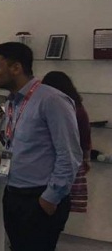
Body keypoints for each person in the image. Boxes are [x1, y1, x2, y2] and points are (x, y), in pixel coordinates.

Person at [0, 42, 82, 250]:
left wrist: (50, 198)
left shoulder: (52, 100)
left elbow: (70, 154)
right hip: (13, 194)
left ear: (16, 68)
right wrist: (4, 160)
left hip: (39, 197)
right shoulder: (12, 102)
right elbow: (18, 143)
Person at [42, 71, 92, 213]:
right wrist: (86, 159)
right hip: (73, 162)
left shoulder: (55, 106)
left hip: (53, 164)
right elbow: (86, 138)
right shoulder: (78, 108)